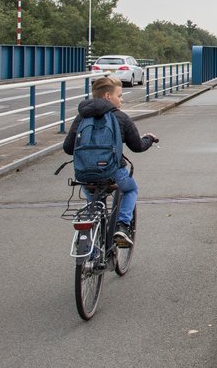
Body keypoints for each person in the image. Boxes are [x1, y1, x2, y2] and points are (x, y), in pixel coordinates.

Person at [63, 75, 158, 247]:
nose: (122, 99)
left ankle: (89, 240)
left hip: (85, 173)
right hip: (113, 172)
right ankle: (122, 225)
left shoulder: (81, 117)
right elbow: (137, 146)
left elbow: (68, 148)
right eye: (119, 95)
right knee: (130, 190)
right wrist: (149, 139)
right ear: (108, 96)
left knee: (93, 202)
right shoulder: (120, 117)